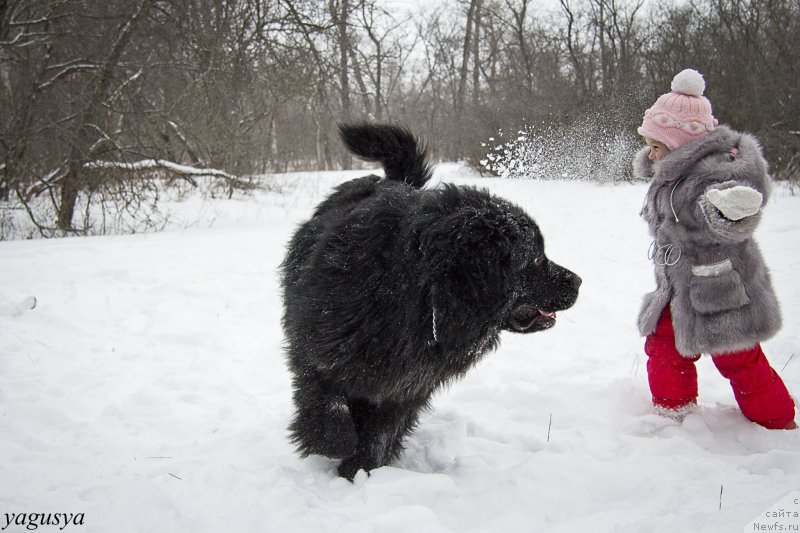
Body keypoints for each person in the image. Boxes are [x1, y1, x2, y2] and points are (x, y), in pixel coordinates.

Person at [633, 68, 796, 430]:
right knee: (663, 345)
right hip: (677, 287)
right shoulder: (672, 174)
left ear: (680, 146)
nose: (651, 155)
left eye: (657, 147)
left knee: (739, 359)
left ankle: (778, 420)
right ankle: (672, 412)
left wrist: (728, 209)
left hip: (722, 290)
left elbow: (734, 217)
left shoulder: (716, 176)